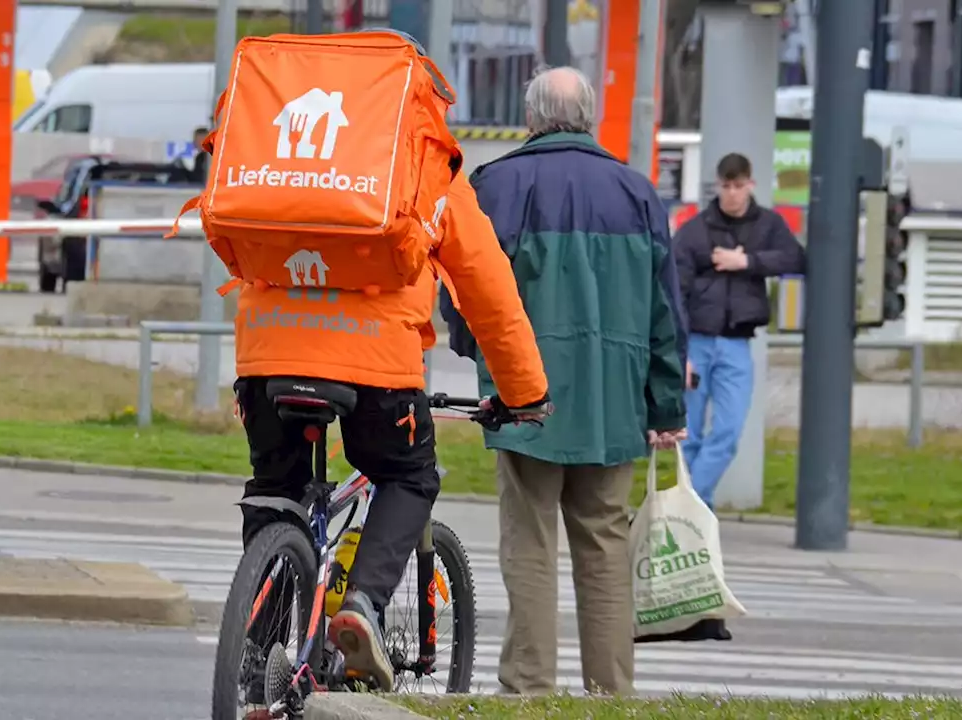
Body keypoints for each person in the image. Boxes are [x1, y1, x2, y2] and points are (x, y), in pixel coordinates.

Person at [233, 30, 552, 693]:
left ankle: (254, 653)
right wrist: (525, 391)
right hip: (377, 370)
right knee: (408, 475)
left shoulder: (285, 151)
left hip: (267, 356)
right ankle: (364, 607)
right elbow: (488, 291)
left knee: (277, 492)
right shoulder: (423, 160)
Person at [442, 66, 687, 696]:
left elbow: (465, 289)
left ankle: (530, 686)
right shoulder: (638, 193)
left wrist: (480, 358)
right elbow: (666, 311)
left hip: (525, 395)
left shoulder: (496, 184)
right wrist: (665, 405)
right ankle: (612, 693)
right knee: (604, 540)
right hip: (615, 400)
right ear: (589, 117)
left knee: (529, 538)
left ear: (531, 118)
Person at [673, 152, 806, 509]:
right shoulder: (695, 231)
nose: (732, 193)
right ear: (718, 186)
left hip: (736, 344)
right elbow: (675, 292)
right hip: (697, 345)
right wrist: (679, 352)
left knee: (728, 432)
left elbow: (796, 258)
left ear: (751, 185)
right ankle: (699, 518)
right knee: (689, 437)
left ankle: (688, 507)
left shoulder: (768, 225)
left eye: (739, 186)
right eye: (726, 186)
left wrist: (746, 262)